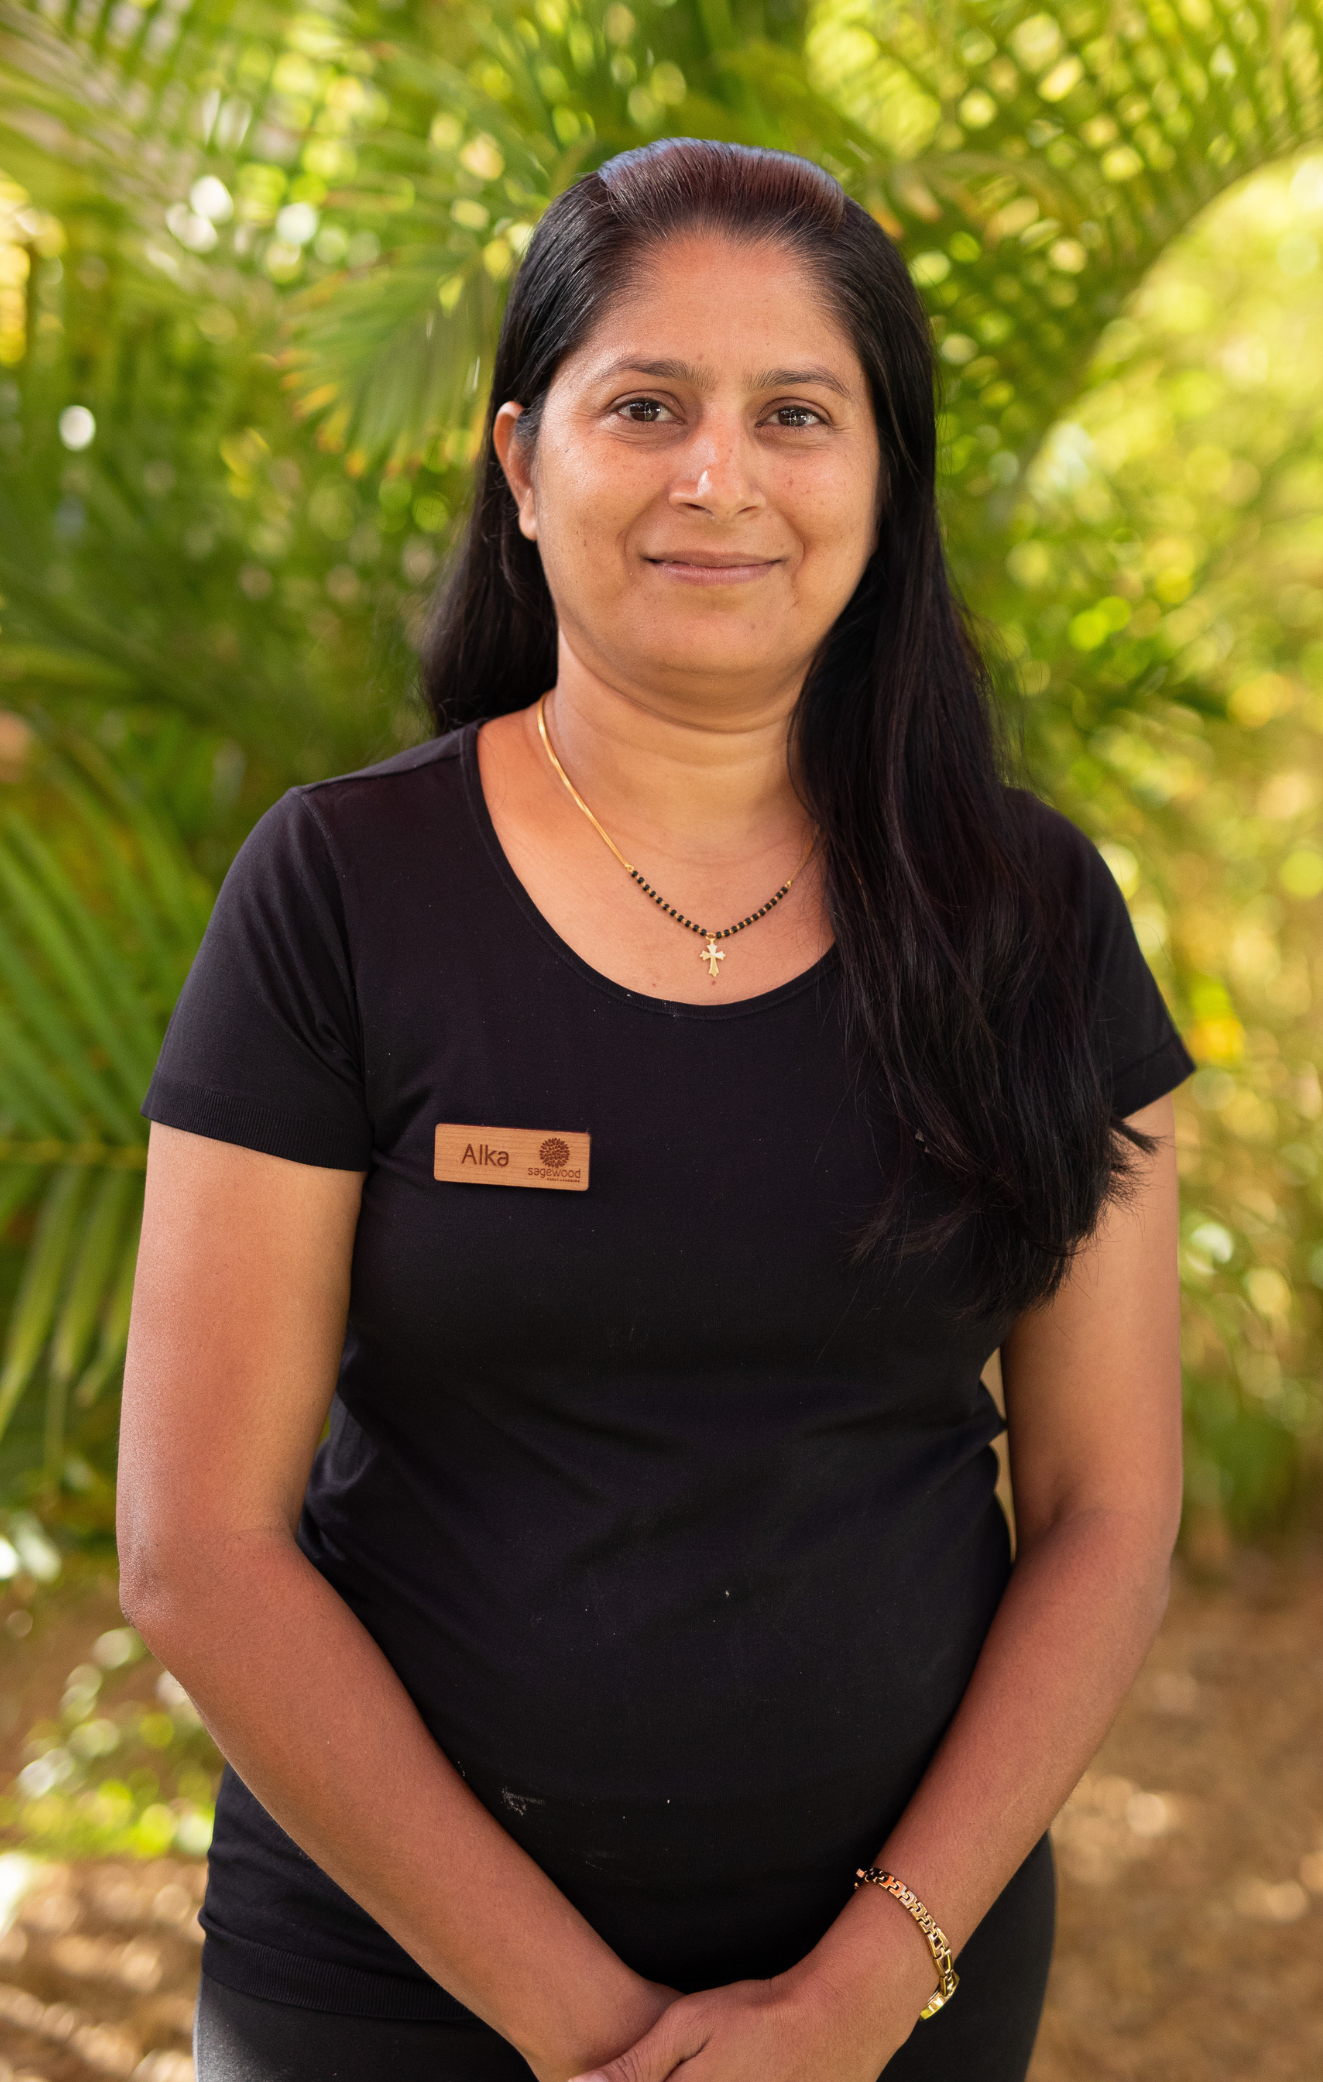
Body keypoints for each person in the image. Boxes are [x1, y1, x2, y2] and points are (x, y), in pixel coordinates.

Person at [118, 137, 1191, 2082]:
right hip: (388, 1984)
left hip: (899, 1982)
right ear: (523, 465)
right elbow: (196, 1546)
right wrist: (595, 2034)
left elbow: (1107, 1511)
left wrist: (859, 1990)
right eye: (645, 407)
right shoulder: (345, 892)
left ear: (884, 481)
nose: (718, 476)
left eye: (795, 413)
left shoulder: (1032, 916)